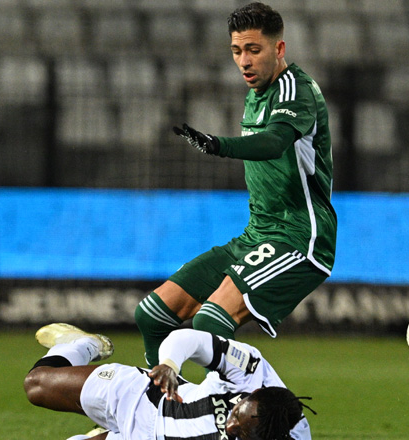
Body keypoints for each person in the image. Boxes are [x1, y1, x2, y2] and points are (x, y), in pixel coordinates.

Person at [135, 2, 337, 367]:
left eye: (253, 50)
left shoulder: (296, 90)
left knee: (210, 321)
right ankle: (162, 401)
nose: (244, 61)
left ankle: (240, 398)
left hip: (299, 237)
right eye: (237, 51)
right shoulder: (255, 95)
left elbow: (274, 142)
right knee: (152, 315)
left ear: (279, 48)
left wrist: (219, 145)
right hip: (256, 235)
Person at [24, 323, 313, 440]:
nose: (231, 426)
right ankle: (84, 344)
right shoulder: (252, 371)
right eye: (236, 413)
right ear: (256, 392)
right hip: (146, 399)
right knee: (36, 385)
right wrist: (170, 365)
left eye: (242, 434)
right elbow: (189, 339)